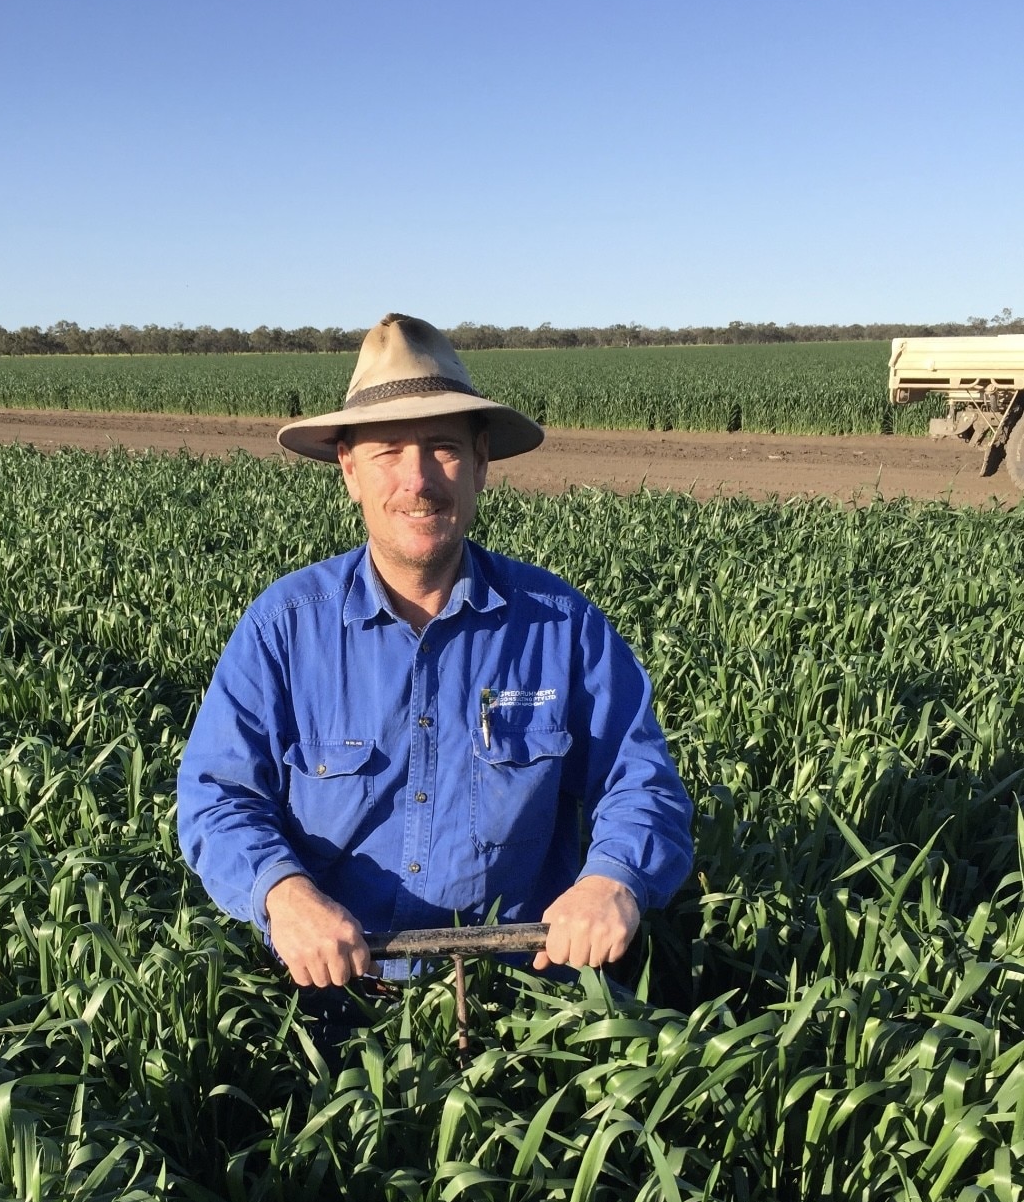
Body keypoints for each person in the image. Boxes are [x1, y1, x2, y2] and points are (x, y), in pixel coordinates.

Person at [176, 312, 692, 990]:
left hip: (524, 997)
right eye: (387, 450)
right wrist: (283, 894)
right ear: (349, 469)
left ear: (480, 463)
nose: (417, 479)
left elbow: (641, 780)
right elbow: (216, 794)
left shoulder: (559, 625)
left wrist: (611, 878)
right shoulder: (284, 627)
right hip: (330, 1002)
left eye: (442, 447)